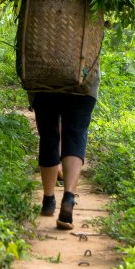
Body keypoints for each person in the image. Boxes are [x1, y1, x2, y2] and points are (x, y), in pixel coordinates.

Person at [29, 70, 99, 230]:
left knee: (49, 135)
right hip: (83, 78)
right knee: (76, 134)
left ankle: (48, 200)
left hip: (45, 79)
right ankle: (68, 197)